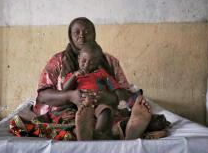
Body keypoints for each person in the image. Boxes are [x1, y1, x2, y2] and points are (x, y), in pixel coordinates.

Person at [10, 17, 152, 140]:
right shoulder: (58, 61)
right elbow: (43, 95)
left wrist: (108, 97)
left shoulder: (109, 61)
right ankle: (93, 132)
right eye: (76, 32)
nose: (82, 36)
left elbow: (124, 94)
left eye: (87, 32)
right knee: (62, 125)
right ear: (70, 36)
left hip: (104, 110)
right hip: (69, 113)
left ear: (94, 34)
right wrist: (70, 96)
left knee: (110, 116)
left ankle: (123, 129)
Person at [62, 41, 129, 139]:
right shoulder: (74, 75)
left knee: (106, 111)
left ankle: (98, 133)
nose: (87, 65)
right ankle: (84, 131)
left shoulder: (101, 73)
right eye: (84, 61)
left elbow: (113, 86)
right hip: (82, 104)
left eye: (92, 62)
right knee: (80, 116)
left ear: (97, 63)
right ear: (78, 58)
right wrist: (74, 76)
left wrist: (121, 100)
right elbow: (65, 90)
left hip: (99, 102)